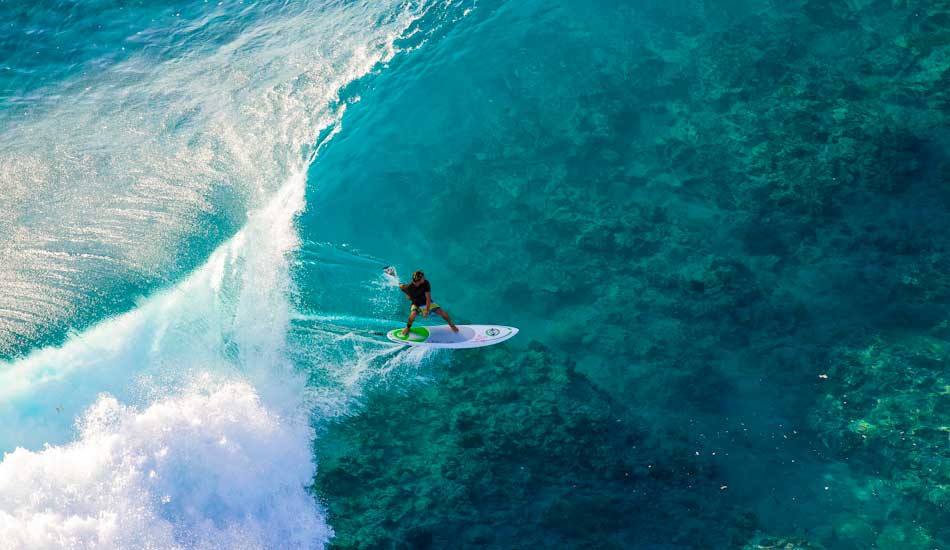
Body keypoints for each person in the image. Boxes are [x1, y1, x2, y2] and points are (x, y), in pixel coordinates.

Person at [400, 270, 458, 336]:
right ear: (418, 281)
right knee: (412, 316)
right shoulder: (408, 287)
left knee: (443, 313)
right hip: (416, 304)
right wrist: (408, 295)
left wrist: (427, 311)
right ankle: (407, 327)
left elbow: (428, 298)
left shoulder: (426, 283)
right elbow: (401, 286)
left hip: (427, 302)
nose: (424, 278)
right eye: (423, 278)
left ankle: (452, 325)